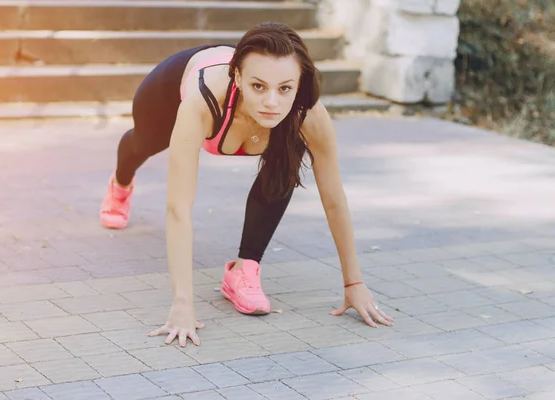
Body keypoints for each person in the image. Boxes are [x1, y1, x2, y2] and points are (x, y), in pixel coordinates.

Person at [99, 22, 394, 347]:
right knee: (143, 143)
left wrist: (354, 283)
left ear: (299, 84)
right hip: (172, 86)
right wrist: (183, 304)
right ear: (237, 78)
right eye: (258, 87)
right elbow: (178, 207)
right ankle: (121, 184)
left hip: (249, 102)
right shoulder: (203, 101)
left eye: (285, 88)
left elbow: (334, 198)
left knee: (285, 163)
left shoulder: (306, 112)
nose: (271, 102)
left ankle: (245, 268)